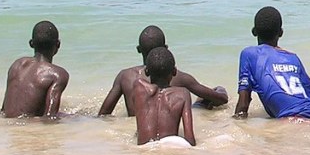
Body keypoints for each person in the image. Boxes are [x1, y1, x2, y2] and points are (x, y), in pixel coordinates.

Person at [98, 25, 228, 116]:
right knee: (201, 102)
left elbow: (104, 114)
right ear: (166, 48)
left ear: (138, 49)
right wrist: (220, 90)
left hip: (141, 132)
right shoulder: (178, 77)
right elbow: (220, 100)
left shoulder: (124, 76)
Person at [234, 6, 310, 120]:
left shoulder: (249, 54)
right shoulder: (293, 58)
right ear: (281, 32)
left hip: (289, 120)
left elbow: (243, 104)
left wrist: (233, 126)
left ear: (254, 31)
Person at [0, 20, 70, 118]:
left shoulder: (17, 65)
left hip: (7, 129)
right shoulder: (58, 74)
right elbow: (49, 117)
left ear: (31, 43)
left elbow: (4, 110)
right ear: (58, 44)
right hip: (27, 128)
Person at [132, 47, 196, 146]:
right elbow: (190, 141)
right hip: (168, 150)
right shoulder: (183, 94)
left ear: (146, 71)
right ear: (174, 71)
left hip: (144, 152)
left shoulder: (138, 87)